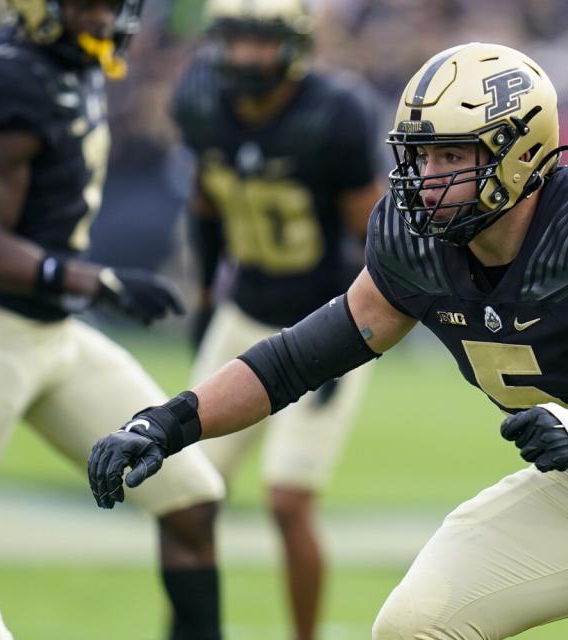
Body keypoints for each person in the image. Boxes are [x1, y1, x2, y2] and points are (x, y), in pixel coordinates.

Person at [88, 42, 568, 640]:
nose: (426, 176)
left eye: (452, 154)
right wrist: (171, 420)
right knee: (414, 626)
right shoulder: (415, 243)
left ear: (520, 153)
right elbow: (294, 360)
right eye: (420, 154)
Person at [0, 1, 227, 638]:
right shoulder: (7, 78)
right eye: (91, 4)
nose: (108, 19)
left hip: (52, 333)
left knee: (190, 498)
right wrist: (93, 279)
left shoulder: (70, 65)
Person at [170, 0, 382, 637]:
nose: (245, 58)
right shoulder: (201, 99)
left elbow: (369, 240)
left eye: (260, 42)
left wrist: (345, 342)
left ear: (293, 47)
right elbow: (206, 204)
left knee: (288, 501)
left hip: (321, 324)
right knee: (185, 495)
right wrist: (206, 297)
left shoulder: (335, 113)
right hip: (243, 315)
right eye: (235, 41)